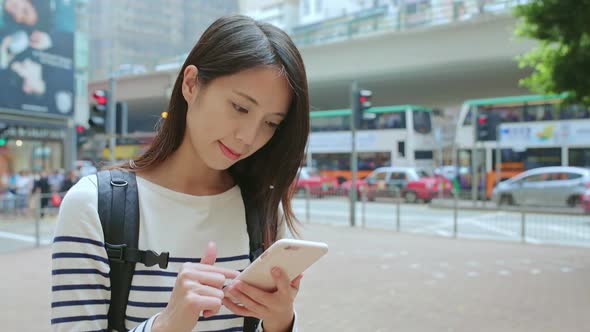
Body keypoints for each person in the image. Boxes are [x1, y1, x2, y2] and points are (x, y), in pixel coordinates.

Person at [51, 15, 310, 332]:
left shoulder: (263, 210)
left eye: (271, 123)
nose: (249, 136)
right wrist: (165, 325)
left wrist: (281, 321)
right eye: (240, 108)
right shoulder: (94, 206)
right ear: (191, 84)